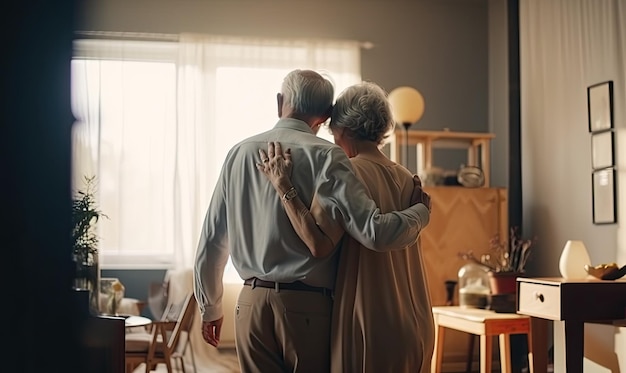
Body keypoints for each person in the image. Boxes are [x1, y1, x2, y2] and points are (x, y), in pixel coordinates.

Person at [193, 69, 431, 373]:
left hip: (249, 303)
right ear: (324, 116)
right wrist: (421, 212)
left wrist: (210, 306)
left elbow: (213, 239)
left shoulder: (238, 153)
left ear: (280, 102)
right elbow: (369, 230)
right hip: (307, 307)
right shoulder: (329, 157)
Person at [257, 81, 434, 372]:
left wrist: (283, 186)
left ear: (347, 130)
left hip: (368, 322)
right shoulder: (407, 178)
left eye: (334, 132)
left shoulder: (343, 171)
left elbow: (317, 243)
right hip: (417, 319)